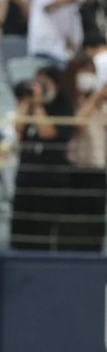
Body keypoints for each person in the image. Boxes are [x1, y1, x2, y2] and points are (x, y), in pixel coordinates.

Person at [11, 65, 75, 250]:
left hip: (50, 179)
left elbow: (48, 132)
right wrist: (25, 103)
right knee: (20, 231)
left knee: (42, 233)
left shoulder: (63, 106)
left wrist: (38, 105)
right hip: (26, 176)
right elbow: (18, 129)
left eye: (44, 83)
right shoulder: (30, 105)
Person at [65, 55, 107, 251]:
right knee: (77, 224)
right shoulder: (71, 100)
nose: (88, 77)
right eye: (84, 72)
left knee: (96, 221)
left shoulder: (100, 104)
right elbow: (79, 125)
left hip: (99, 168)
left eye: (92, 73)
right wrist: (96, 97)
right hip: (78, 169)